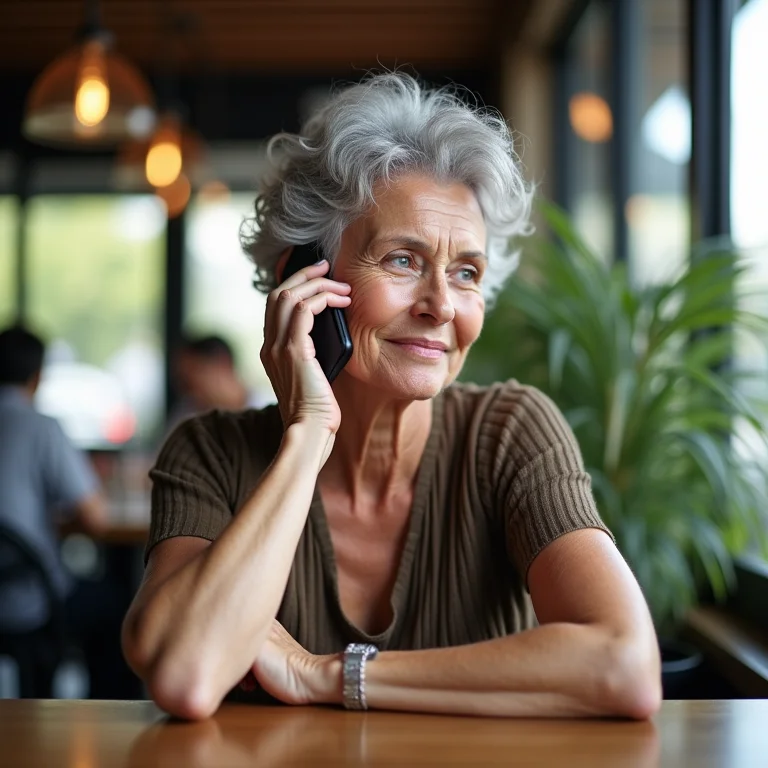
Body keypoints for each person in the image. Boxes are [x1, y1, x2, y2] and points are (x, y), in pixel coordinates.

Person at [122, 73, 661, 720]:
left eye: (466, 272)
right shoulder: (211, 452)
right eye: (403, 260)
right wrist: (308, 436)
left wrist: (321, 674)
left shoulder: (510, 433)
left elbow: (625, 666)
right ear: (304, 280)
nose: (442, 306)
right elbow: (185, 675)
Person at [165, 334, 269, 436]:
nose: (188, 391)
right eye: (183, 381)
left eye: (191, 380)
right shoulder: (186, 413)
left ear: (223, 364)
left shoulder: (268, 413)